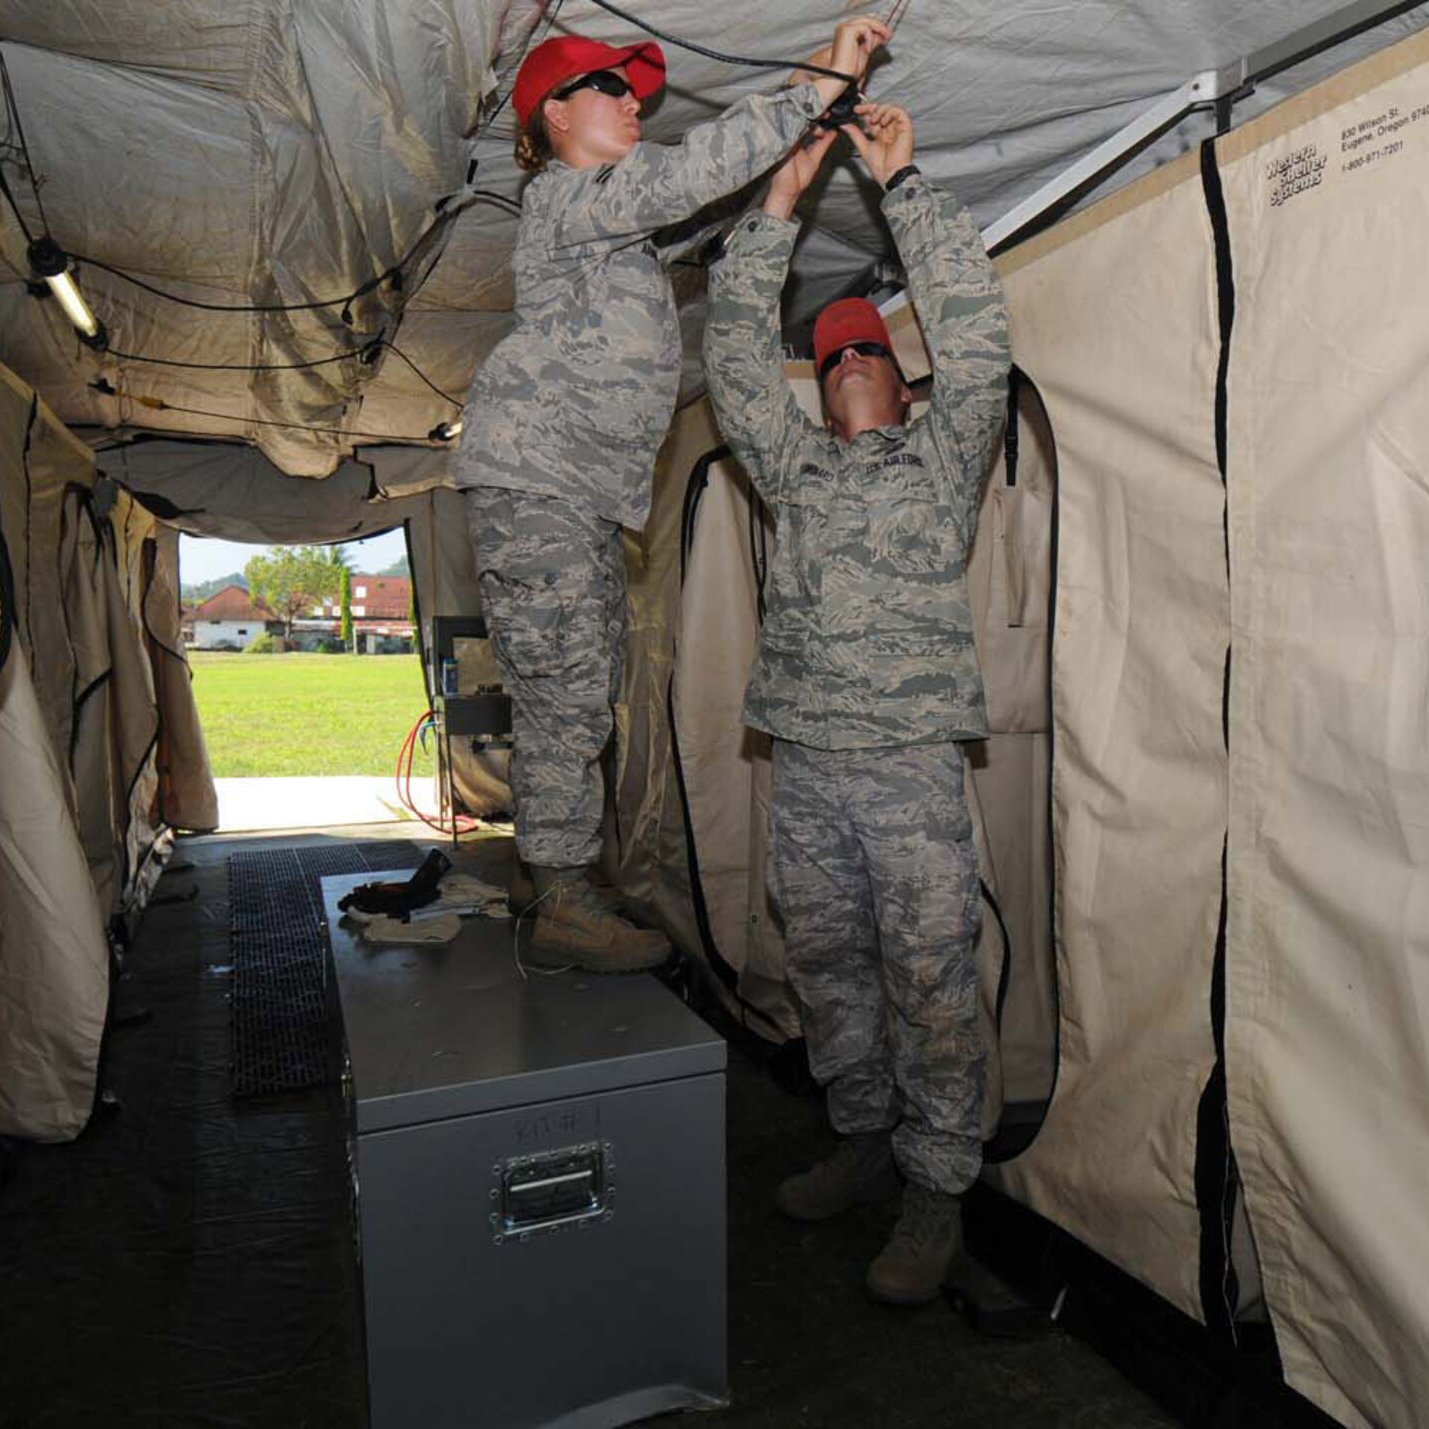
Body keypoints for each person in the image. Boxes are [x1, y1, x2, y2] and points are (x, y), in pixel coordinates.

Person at [454, 16, 892, 973]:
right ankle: (562, 895)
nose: (630, 103)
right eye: (608, 89)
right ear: (553, 116)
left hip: (576, 487)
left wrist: (782, 183)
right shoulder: (564, 200)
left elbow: (693, 213)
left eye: (631, 92)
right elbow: (686, 177)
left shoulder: (610, 235)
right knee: (567, 684)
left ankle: (557, 876)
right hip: (541, 475)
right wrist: (811, 82)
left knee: (583, 678)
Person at [702, 103, 1011, 1303]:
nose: (847, 364)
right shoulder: (790, 472)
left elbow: (977, 341)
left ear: (899, 371)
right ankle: (863, 1133)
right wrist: (777, 203)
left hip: (912, 768)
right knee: (827, 960)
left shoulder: (945, 456)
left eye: (867, 349)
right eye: (828, 357)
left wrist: (904, 186)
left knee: (931, 974)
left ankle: (936, 1190)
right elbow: (732, 359)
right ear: (816, 391)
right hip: (811, 766)